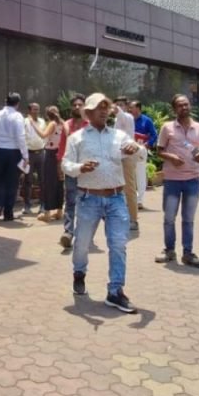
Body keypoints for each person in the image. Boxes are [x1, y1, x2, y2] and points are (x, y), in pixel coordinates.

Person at [62, 92, 143, 313]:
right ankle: (79, 272)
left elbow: (140, 154)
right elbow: (65, 164)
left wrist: (136, 149)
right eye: (99, 107)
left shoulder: (119, 136)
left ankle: (115, 291)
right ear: (88, 113)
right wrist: (80, 168)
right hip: (88, 198)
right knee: (82, 244)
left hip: (116, 198)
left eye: (106, 107)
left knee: (118, 244)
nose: (104, 111)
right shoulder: (76, 138)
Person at [155, 94, 199, 269]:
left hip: (192, 180)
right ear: (174, 109)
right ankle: (169, 250)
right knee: (169, 218)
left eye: (186, 104)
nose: (184, 108)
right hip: (172, 180)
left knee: (188, 219)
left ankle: (188, 253)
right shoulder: (167, 128)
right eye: (180, 105)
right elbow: (159, 150)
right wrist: (171, 157)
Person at [0, 92, 29, 222]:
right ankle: (8, 212)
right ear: (17, 104)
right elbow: (21, 137)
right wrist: (25, 155)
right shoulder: (17, 116)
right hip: (13, 152)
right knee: (12, 182)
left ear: (5, 101)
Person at [57, 94, 88, 248]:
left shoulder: (89, 125)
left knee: (85, 201)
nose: (77, 107)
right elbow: (62, 146)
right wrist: (59, 165)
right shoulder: (67, 125)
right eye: (74, 105)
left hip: (86, 170)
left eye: (80, 105)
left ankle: (83, 233)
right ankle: (68, 232)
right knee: (70, 200)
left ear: (85, 107)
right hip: (70, 168)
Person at [113, 97, 140, 231]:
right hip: (117, 156)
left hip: (128, 156)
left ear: (126, 106)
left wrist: (112, 106)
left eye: (121, 104)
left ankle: (133, 220)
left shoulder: (127, 117)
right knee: (118, 189)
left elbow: (119, 113)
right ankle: (121, 217)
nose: (119, 107)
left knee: (129, 188)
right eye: (117, 104)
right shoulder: (115, 120)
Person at [37, 106, 65, 222]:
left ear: (47, 115)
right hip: (60, 154)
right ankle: (59, 211)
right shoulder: (63, 123)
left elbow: (43, 135)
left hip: (50, 154)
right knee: (59, 182)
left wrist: (34, 126)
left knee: (48, 182)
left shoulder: (52, 124)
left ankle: (47, 212)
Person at [22, 102, 50, 216]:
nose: (37, 111)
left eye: (38, 109)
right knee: (28, 180)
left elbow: (45, 135)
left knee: (43, 180)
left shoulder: (42, 121)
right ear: (29, 110)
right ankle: (27, 205)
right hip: (29, 154)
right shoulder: (24, 122)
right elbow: (22, 137)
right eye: (34, 109)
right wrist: (24, 155)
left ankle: (43, 205)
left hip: (41, 153)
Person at [130, 100, 158, 208]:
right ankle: (130, 198)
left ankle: (139, 200)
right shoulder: (128, 119)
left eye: (132, 107)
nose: (130, 109)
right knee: (129, 174)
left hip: (140, 150)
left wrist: (147, 144)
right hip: (128, 150)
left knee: (140, 174)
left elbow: (154, 135)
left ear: (138, 108)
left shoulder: (147, 120)